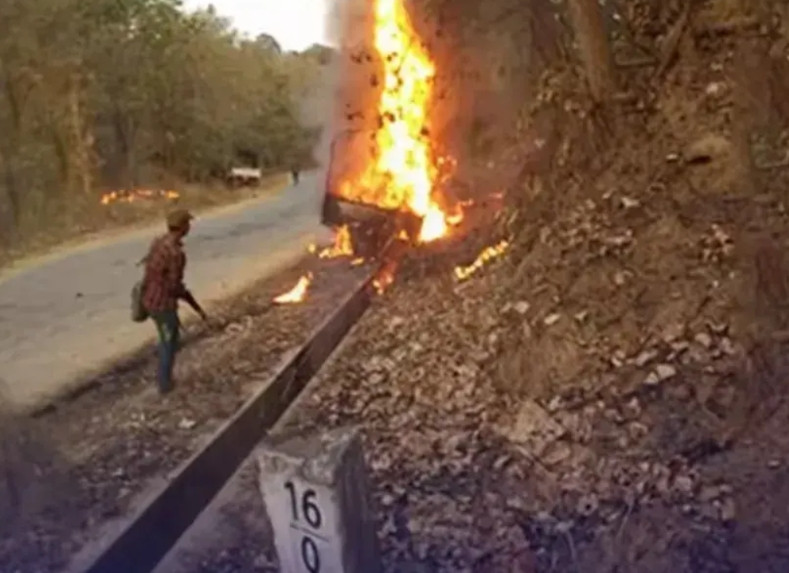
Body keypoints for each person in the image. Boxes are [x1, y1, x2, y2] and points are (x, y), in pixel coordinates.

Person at [141, 208, 207, 394]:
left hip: (149, 298)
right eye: (188, 224)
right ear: (183, 227)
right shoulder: (176, 254)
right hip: (163, 304)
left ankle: (164, 375)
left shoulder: (158, 242)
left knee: (170, 337)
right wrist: (194, 305)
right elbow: (174, 287)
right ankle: (165, 384)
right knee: (169, 341)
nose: (190, 227)